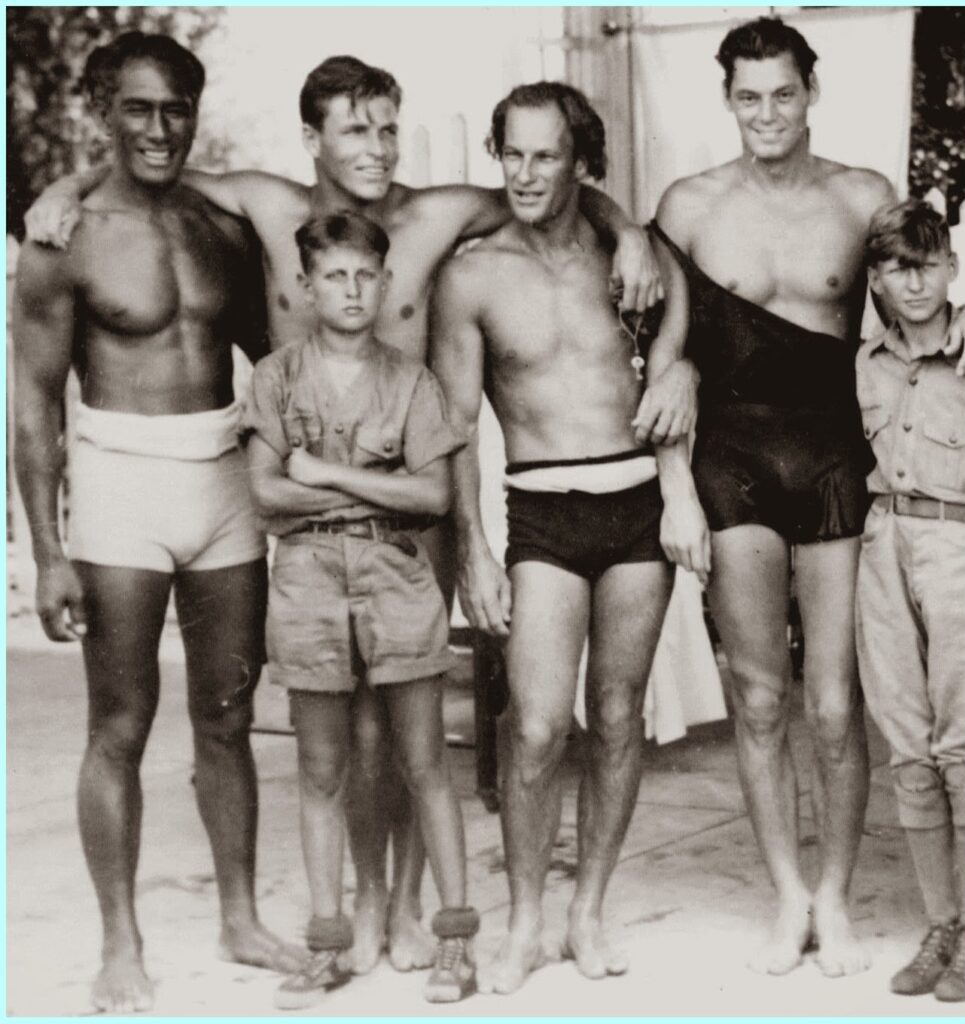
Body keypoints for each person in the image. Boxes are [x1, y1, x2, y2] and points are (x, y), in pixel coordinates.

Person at [24, 55, 677, 975]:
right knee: (338, 727)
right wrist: (64, 185)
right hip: (303, 517)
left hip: (410, 506)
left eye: (386, 128)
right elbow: (152, 163)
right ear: (311, 138)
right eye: (354, 130)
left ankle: (404, 905)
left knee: (408, 723)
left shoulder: (437, 214)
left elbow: (547, 189)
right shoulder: (266, 204)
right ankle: (360, 902)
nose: (376, 148)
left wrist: (630, 233)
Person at [643, 16, 965, 978]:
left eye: (782, 93)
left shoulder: (860, 196)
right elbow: (662, 354)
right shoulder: (689, 204)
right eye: (748, 97)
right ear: (726, 100)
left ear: (811, 92)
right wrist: (675, 487)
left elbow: (915, 299)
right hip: (731, 459)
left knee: (833, 706)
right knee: (757, 698)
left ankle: (835, 893)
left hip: (832, 456)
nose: (766, 114)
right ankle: (788, 896)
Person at [12, 32, 306, 1014]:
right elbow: (33, 404)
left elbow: (275, 361)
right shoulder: (63, 238)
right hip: (120, 489)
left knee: (227, 716)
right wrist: (46, 553)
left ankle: (239, 917)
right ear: (103, 110)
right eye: (137, 108)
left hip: (220, 484)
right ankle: (120, 943)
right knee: (120, 725)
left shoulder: (221, 225)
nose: (158, 127)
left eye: (175, 108)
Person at [431, 81, 708, 996]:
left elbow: (675, 345)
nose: (523, 173)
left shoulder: (629, 255)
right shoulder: (472, 275)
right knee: (539, 725)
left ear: (579, 161)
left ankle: (586, 909)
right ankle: (523, 922)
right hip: (541, 514)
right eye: (510, 153)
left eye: (544, 155)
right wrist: (472, 550)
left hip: (635, 507)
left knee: (619, 718)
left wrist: (679, 378)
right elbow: (456, 428)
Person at [242, 211, 478, 1007]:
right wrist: (371, 489)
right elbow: (264, 492)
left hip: (396, 577)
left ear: (383, 284)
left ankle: (453, 938)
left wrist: (325, 475)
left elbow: (433, 494)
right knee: (320, 770)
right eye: (333, 277)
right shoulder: (276, 376)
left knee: (425, 762)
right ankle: (327, 944)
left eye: (364, 276)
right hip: (306, 581)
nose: (350, 290)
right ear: (306, 288)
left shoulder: (411, 381)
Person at [855, 200, 965, 1002]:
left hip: (959, 545)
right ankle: (942, 923)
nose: (916, 282)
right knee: (907, 745)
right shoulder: (862, 362)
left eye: (928, 265)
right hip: (882, 544)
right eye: (898, 268)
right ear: (875, 278)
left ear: (951, 268)